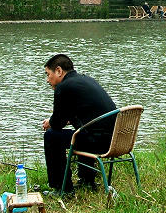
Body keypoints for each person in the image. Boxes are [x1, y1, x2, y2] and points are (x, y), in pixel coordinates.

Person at [42, 54, 117, 194]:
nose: (47, 80)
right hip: (115, 139)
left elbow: (57, 124)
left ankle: (61, 188)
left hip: (100, 143)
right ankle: (87, 181)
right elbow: (87, 114)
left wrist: (50, 123)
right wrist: (60, 120)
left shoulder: (63, 87)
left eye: (48, 74)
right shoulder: (86, 80)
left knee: (52, 136)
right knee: (82, 131)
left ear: (58, 71)